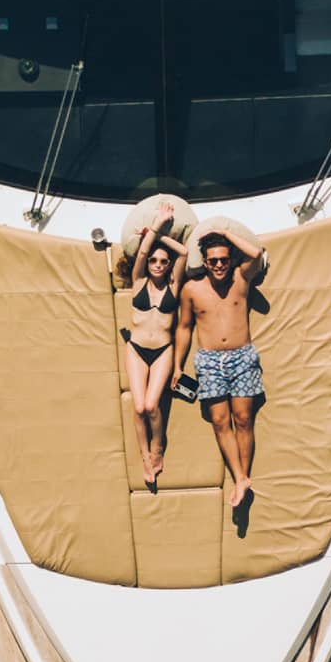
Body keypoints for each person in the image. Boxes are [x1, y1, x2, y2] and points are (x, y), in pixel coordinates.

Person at [174, 225, 266, 509]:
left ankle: (242, 479)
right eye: (212, 260)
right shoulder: (191, 289)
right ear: (204, 261)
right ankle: (240, 478)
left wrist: (225, 235)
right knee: (219, 422)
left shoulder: (241, 277)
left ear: (231, 259)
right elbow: (185, 327)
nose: (218, 265)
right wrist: (177, 365)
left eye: (223, 259)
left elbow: (257, 253)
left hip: (242, 357)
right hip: (209, 361)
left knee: (242, 419)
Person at [121, 199, 188, 487]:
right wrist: (156, 230)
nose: (158, 265)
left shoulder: (174, 284)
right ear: (147, 263)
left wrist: (160, 235)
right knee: (138, 408)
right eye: (154, 261)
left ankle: (158, 444)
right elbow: (144, 250)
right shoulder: (138, 281)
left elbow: (184, 251)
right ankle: (145, 456)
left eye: (163, 262)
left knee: (151, 406)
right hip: (136, 349)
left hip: (162, 351)